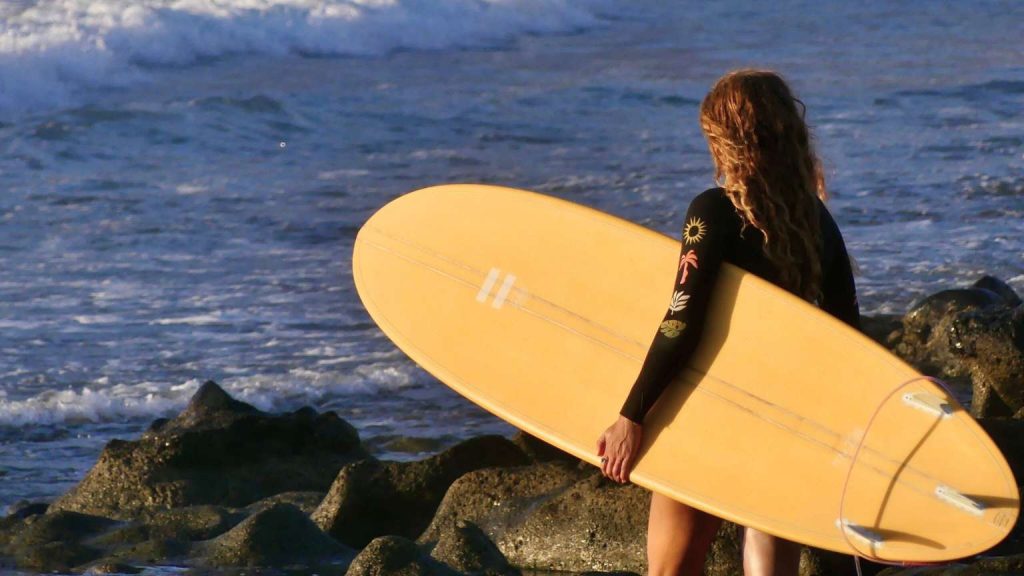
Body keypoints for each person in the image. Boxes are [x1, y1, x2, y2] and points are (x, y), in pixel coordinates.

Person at [595, 69, 860, 576]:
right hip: (785, 418)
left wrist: (631, 416)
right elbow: (847, 333)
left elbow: (682, 321)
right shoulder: (818, 222)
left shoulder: (712, 212)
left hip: (710, 410)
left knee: (672, 570)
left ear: (725, 141)